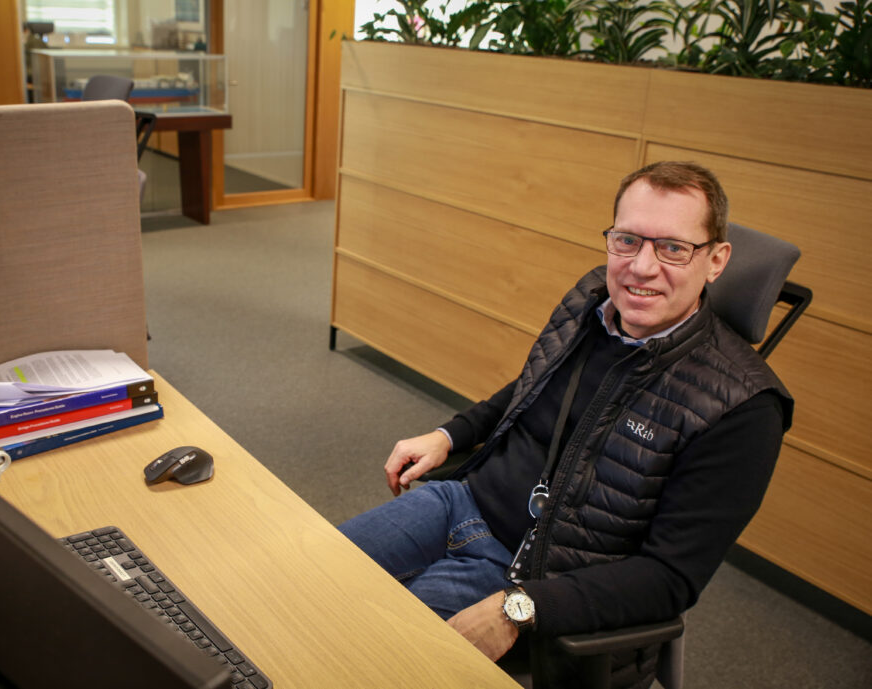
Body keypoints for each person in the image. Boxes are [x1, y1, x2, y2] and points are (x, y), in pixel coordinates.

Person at [339, 161, 792, 688]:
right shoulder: (593, 298)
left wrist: (518, 607)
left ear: (716, 261)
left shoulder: (744, 406)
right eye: (627, 240)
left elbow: (669, 580)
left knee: (370, 660)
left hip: (539, 577)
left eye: (672, 247)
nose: (641, 268)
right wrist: (450, 434)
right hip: (461, 504)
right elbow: (532, 386)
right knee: (305, 578)